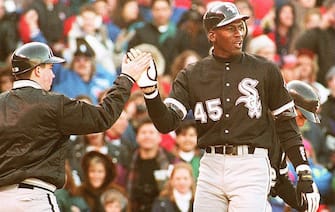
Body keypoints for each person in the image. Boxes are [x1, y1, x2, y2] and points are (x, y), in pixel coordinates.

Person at [133, 2, 320, 211]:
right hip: (210, 164)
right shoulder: (191, 74)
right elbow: (166, 124)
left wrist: (304, 172)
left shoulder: (266, 70)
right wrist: (151, 92)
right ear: (212, 35)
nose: (239, 33)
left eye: (241, 27)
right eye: (230, 28)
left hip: (251, 164)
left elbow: (287, 124)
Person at [0, 42, 152, 211]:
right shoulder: (54, 103)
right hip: (34, 198)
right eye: (50, 68)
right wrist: (127, 78)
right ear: (37, 70)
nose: (53, 75)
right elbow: (103, 117)